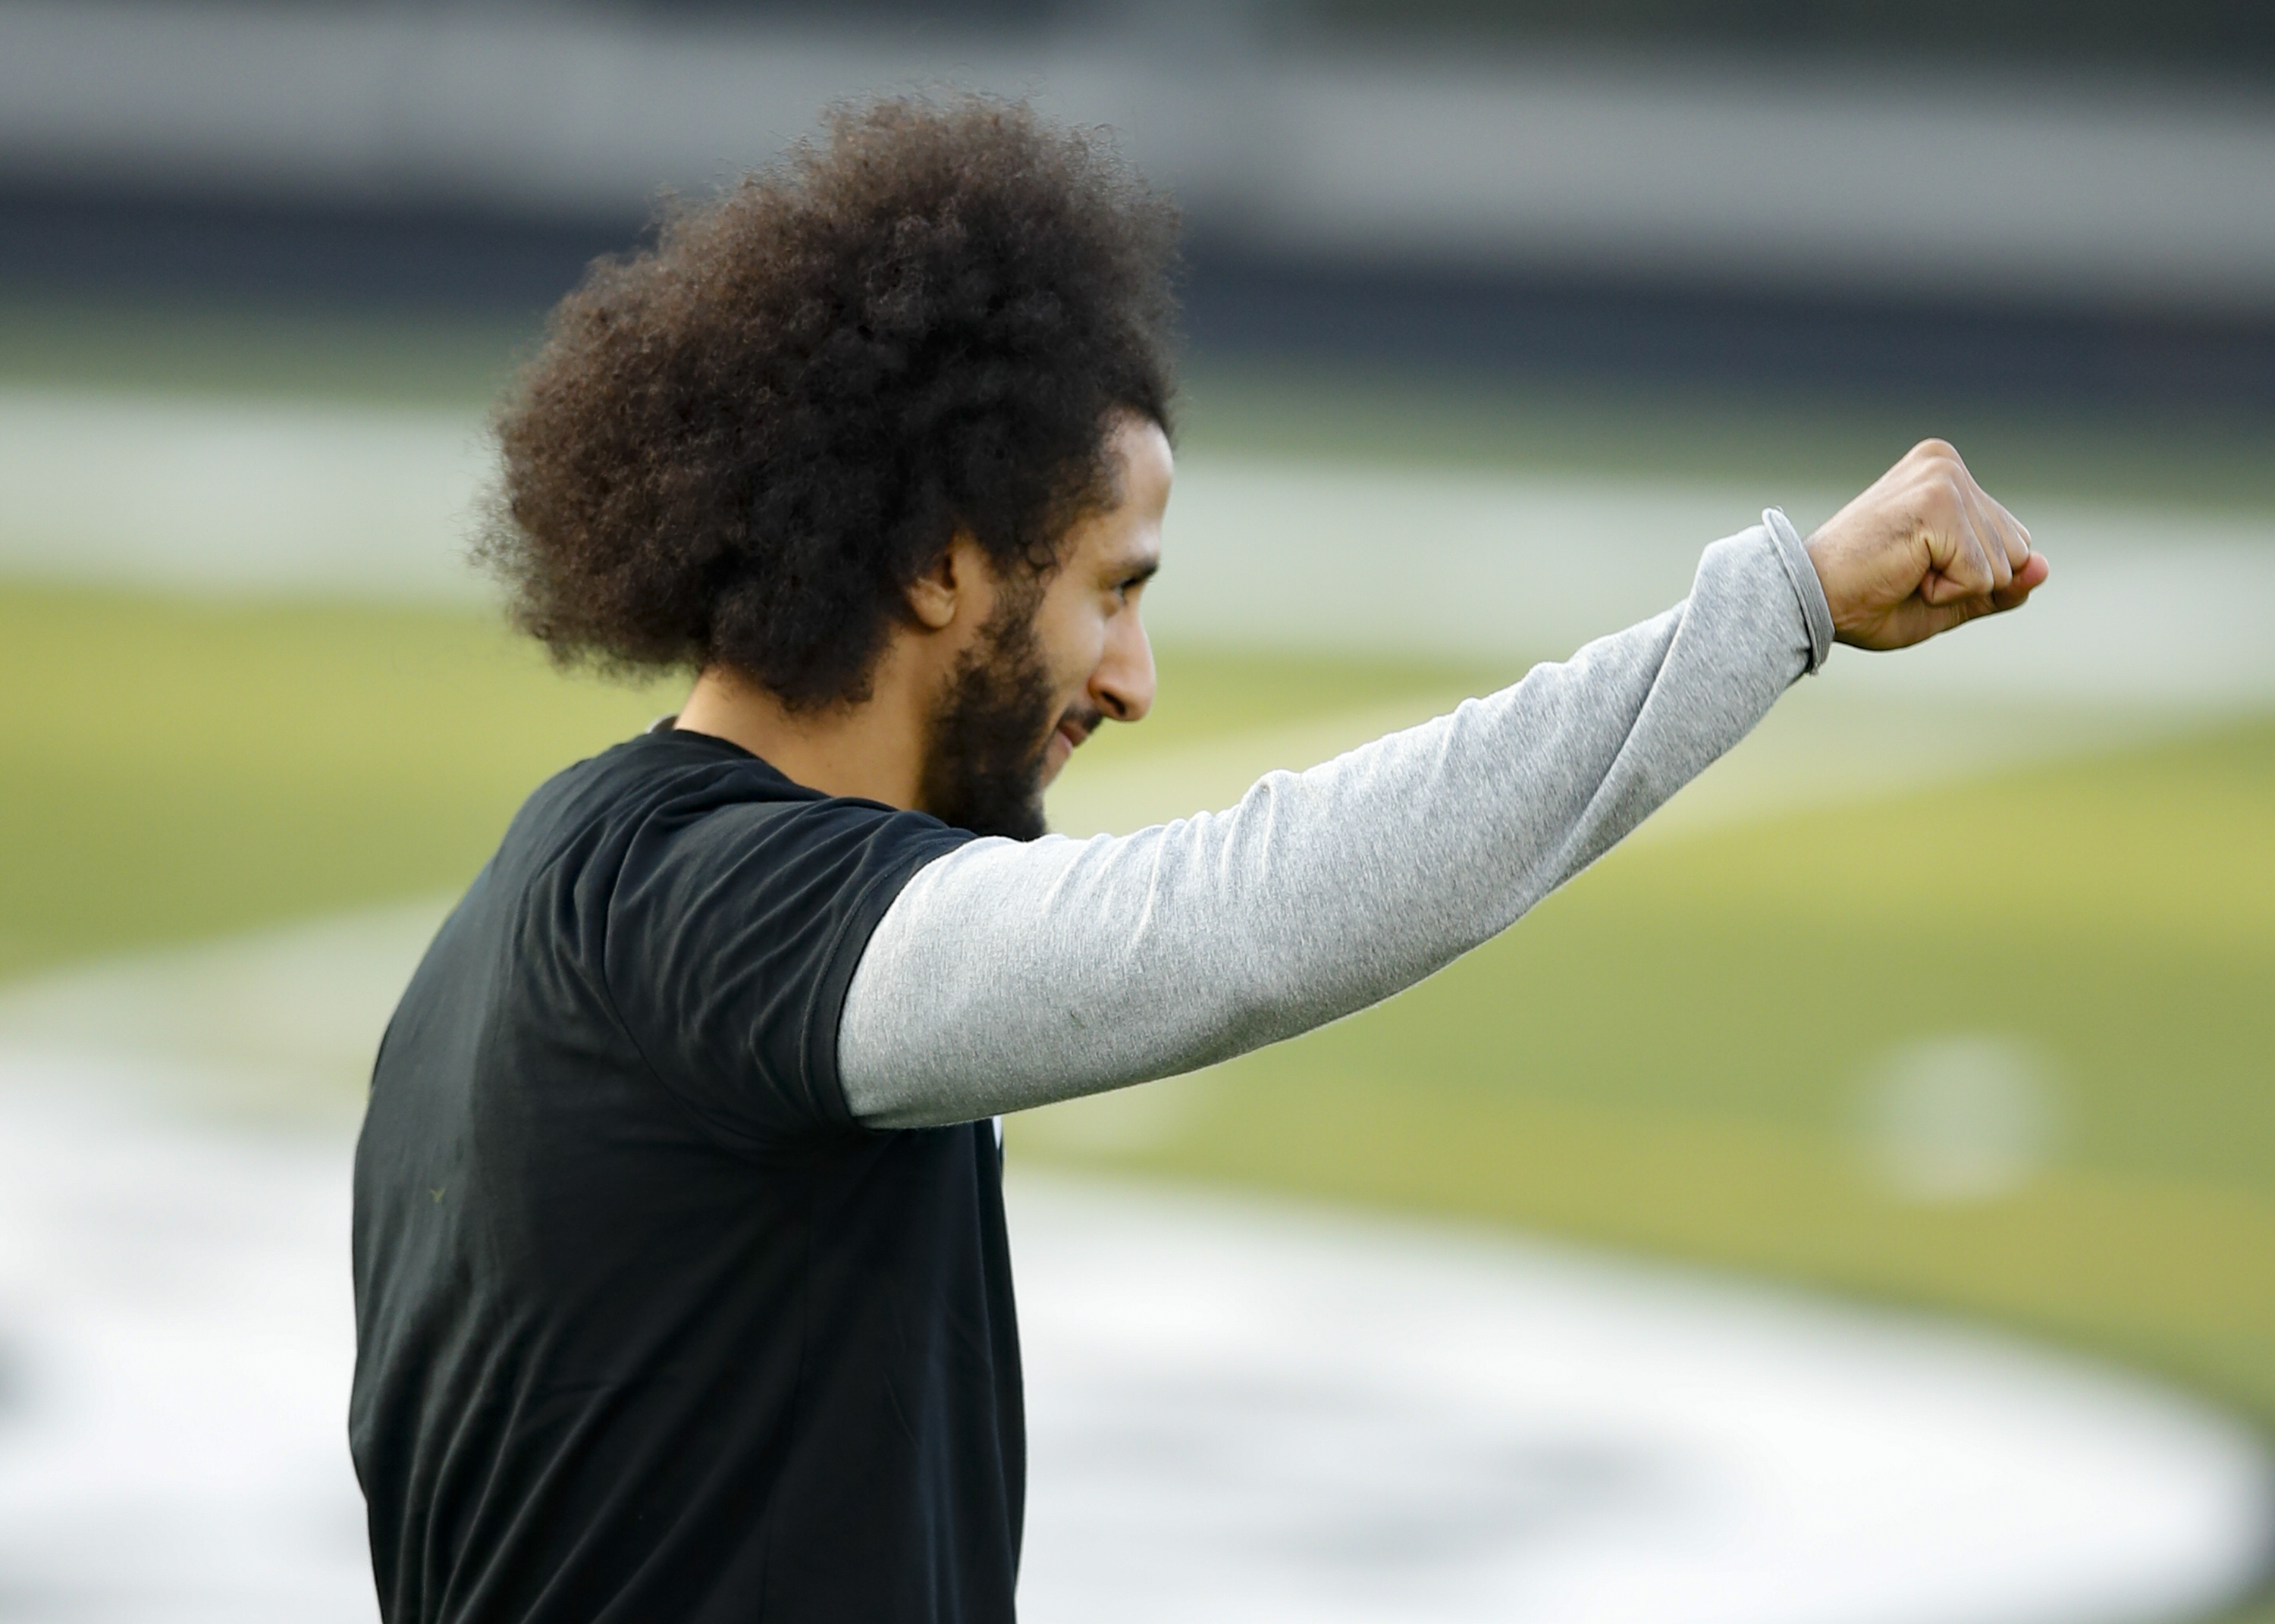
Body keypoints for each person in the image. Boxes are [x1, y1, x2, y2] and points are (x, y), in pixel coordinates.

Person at [349, 96, 2048, 1623]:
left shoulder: (535, 912)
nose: (1135, 681)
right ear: (941, 565)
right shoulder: (700, 917)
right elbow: (1241, 920)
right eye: (1116, 588)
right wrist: (1781, 610)